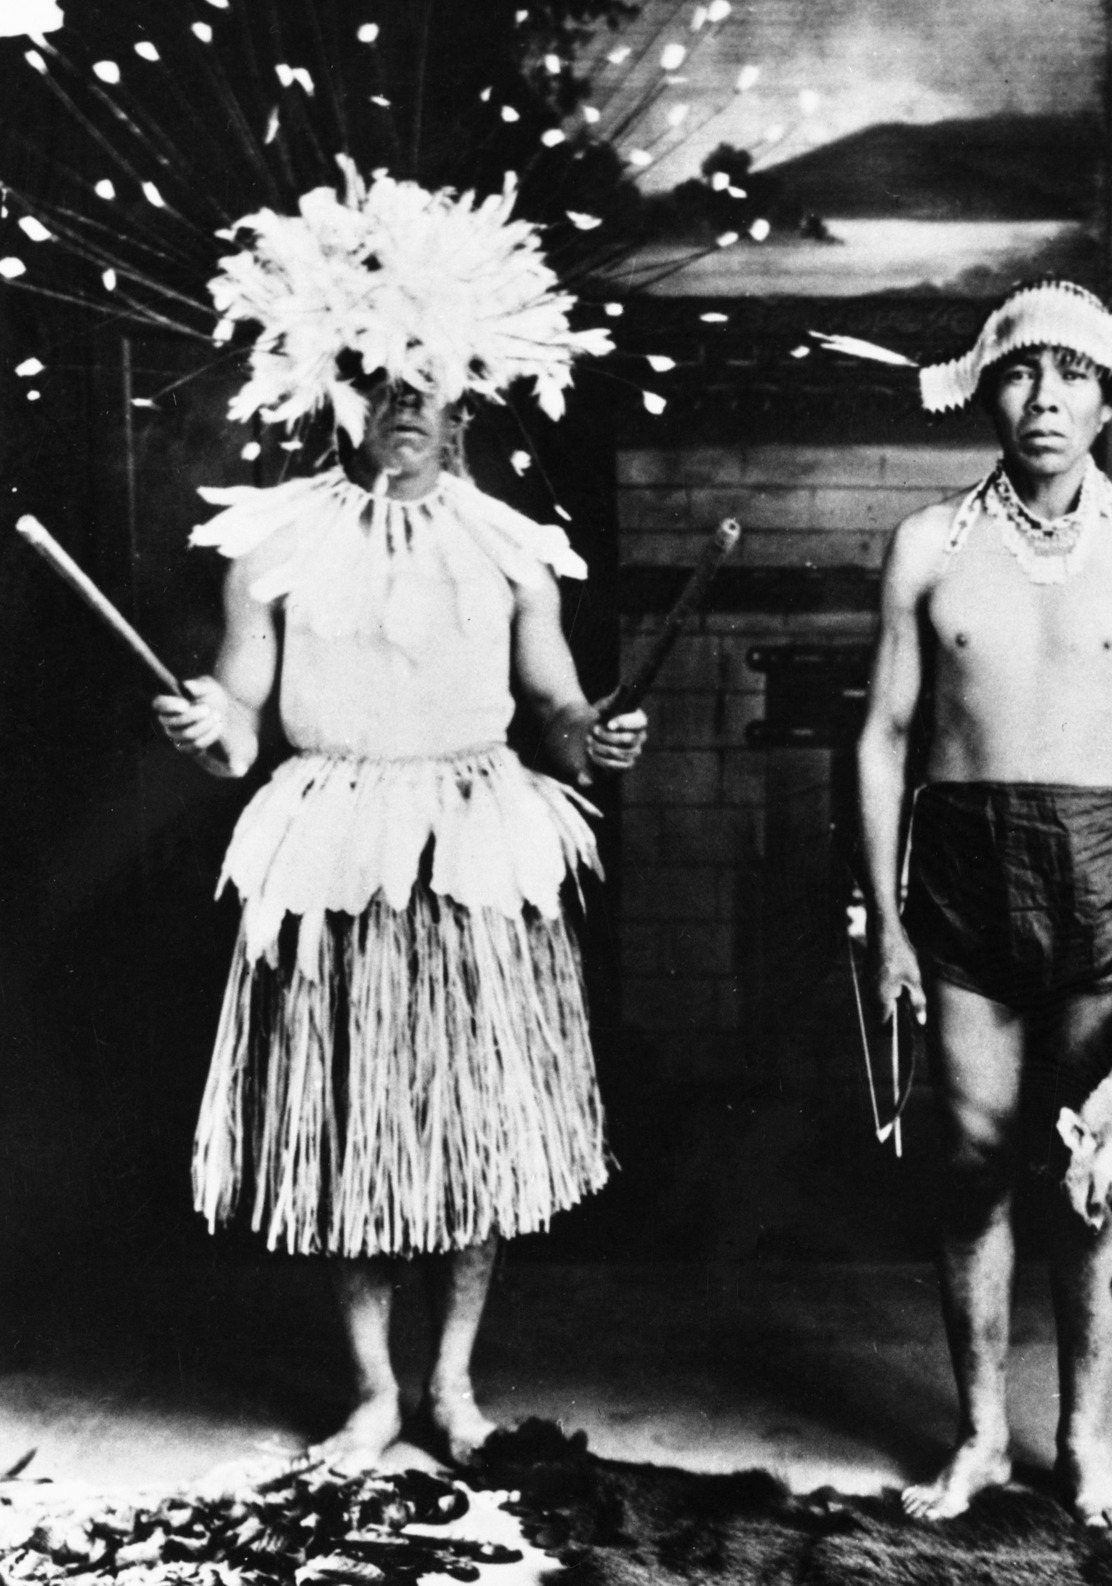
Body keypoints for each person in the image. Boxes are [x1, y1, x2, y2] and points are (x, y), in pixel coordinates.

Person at [153, 166, 639, 1466]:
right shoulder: (272, 546)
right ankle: (373, 1389)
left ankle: (452, 1384)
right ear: (336, 389)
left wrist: (596, 732)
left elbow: (556, 710)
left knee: (474, 1125)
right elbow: (242, 718)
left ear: (465, 394)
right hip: (334, 848)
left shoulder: (513, 548)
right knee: (354, 1121)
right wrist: (211, 724)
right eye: (375, 377)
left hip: (476, 845)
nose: (402, 404)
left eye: (426, 380)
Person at [857, 280, 1112, 1528]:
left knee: (1093, 1167)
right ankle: (978, 1436)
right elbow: (883, 736)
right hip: (962, 868)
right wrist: (887, 921)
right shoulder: (927, 545)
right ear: (986, 392)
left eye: (1074, 376)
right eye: (1021, 372)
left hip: (1107, 872)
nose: (1046, 398)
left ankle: (1081, 1441)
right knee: (969, 1160)